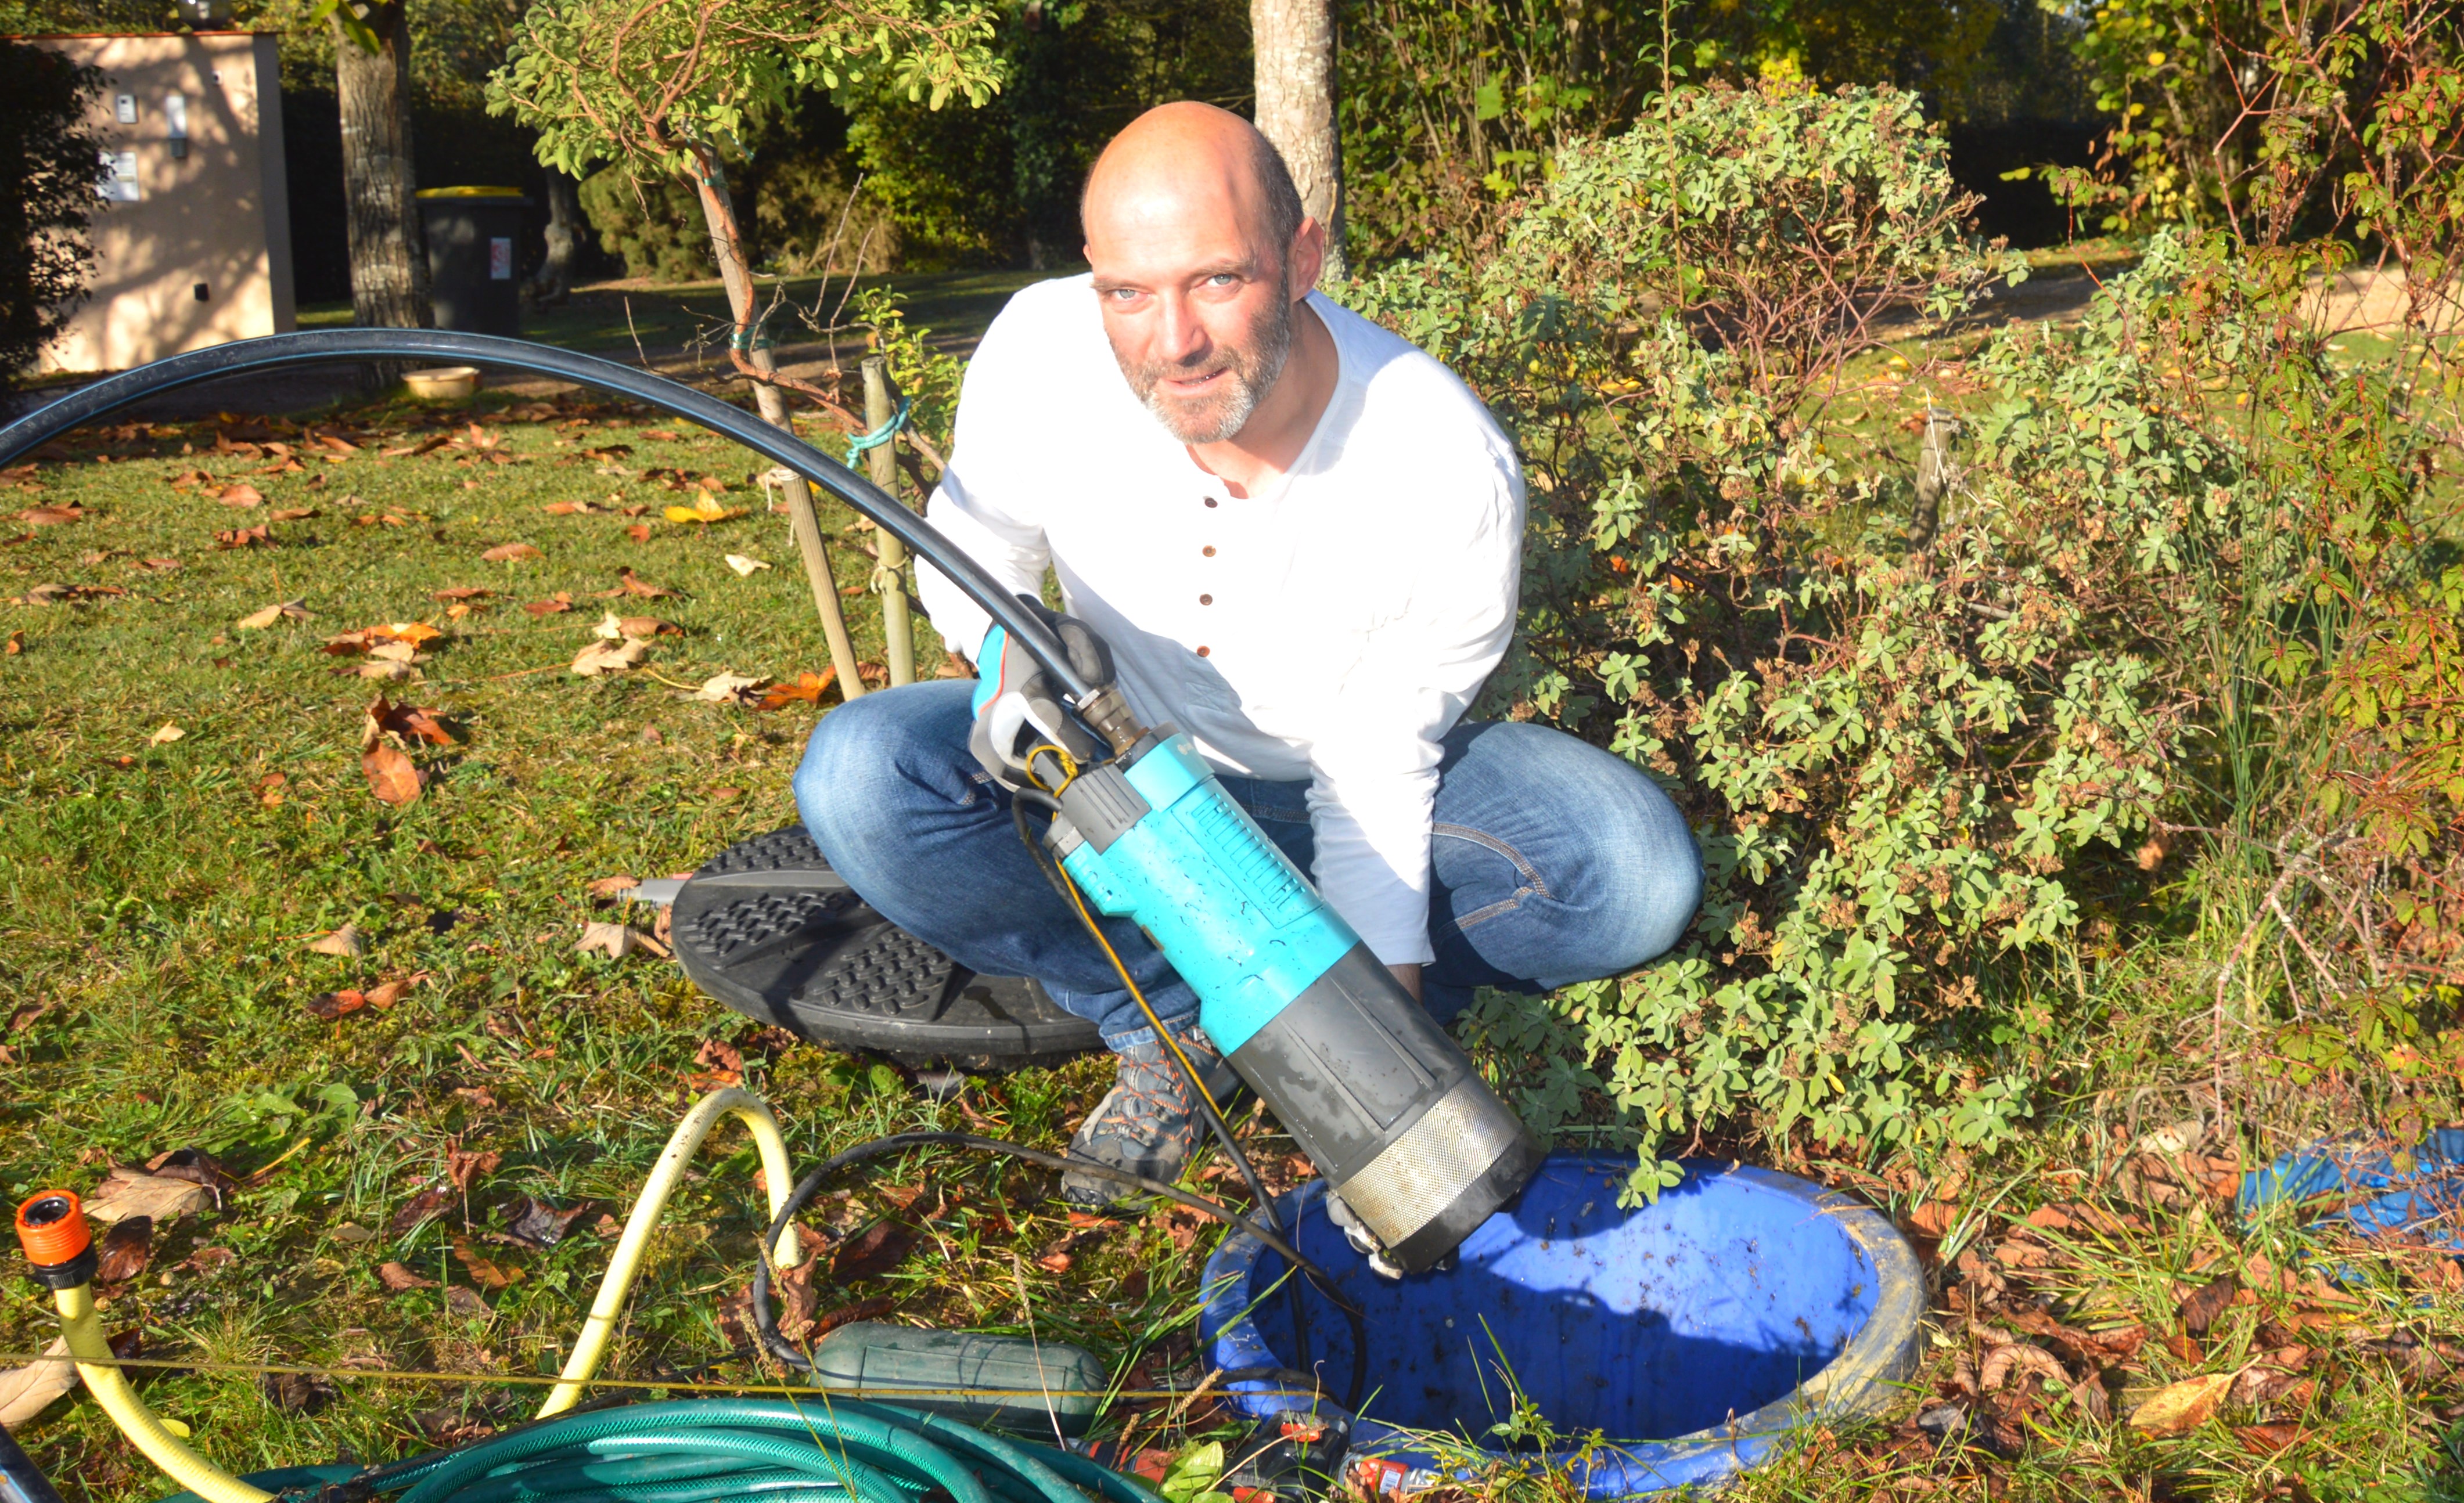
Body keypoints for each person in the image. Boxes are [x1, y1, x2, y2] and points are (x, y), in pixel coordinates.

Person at [795, 102, 1700, 1207]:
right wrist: (1005, 650)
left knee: (1631, 870)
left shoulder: (1439, 462)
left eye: (1218, 280)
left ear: (1303, 256)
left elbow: (1376, 769)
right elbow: (970, 544)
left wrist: (1386, 1098)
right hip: (1110, 779)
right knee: (863, 775)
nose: (1170, 341)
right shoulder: (1042, 348)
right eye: (1127, 291)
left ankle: (1276, 990)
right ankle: (1167, 1021)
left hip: (1327, 793)